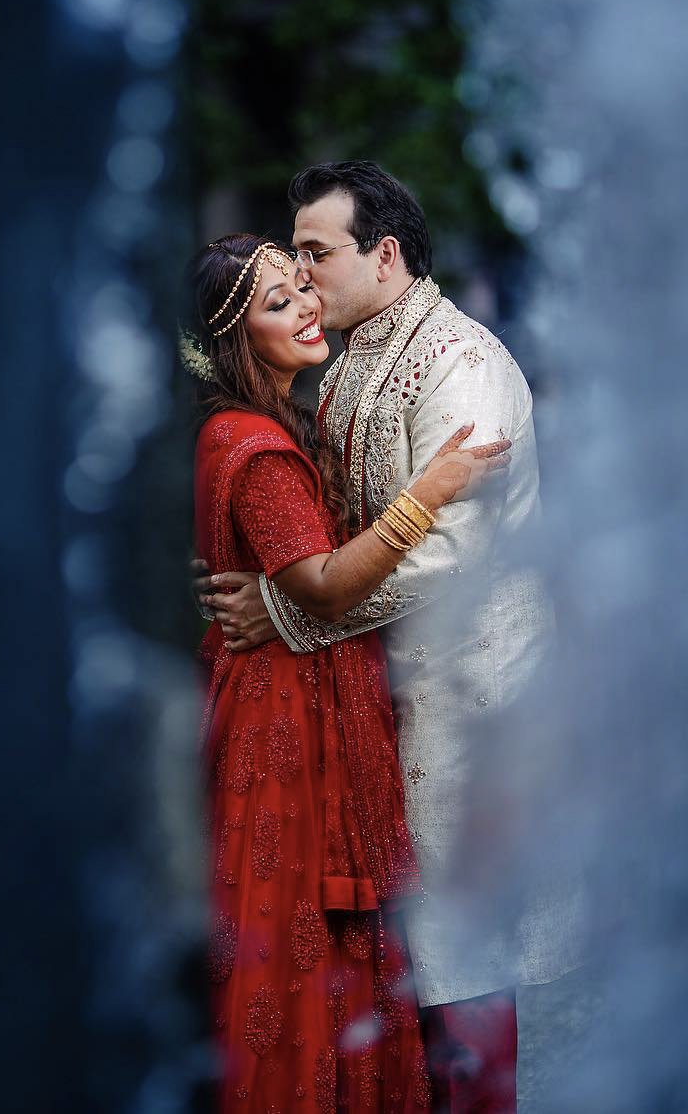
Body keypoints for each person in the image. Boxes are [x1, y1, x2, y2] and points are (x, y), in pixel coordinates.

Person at [199, 162, 582, 1113]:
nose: (304, 277)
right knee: (406, 977)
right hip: (383, 707)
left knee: (468, 971)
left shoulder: (459, 364)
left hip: (467, 706)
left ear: (387, 253)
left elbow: (451, 553)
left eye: (316, 257)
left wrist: (286, 608)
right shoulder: (359, 352)